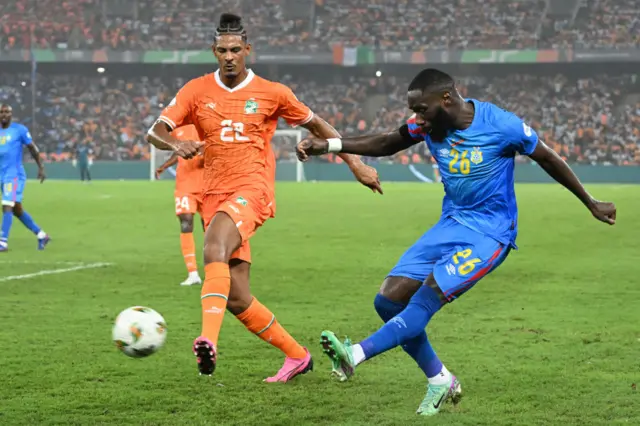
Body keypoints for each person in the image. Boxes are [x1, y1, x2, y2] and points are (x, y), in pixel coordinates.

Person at [296, 68, 616, 416]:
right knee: (388, 301)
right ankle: (439, 379)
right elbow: (390, 141)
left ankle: (354, 354)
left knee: (425, 298)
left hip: (489, 234)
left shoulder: (501, 125)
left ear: (446, 99)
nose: (416, 118)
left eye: (421, 109)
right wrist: (329, 145)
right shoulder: (429, 124)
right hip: (450, 225)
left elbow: (548, 158)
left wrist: (590, 201)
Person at [146, 13, 381, 382]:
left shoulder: (273, 92)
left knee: (212, 249)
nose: (228, 56)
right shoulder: (195, 90)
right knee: (237, 297)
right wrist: (176, 142)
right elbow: (155, 131)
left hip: (252, 190)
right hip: (213, 195)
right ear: (213, 51)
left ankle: (208, 340)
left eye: (235, 50)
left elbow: (319, 126)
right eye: (222, 50)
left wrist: (356, 165)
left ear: (247, 50)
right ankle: (297, 356)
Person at [155, 124, 205, 286]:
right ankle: (193, 273)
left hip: (207, 185)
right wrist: (164, 166)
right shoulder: (178, 128)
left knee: (210, 229)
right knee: (186, 223)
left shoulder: (208, 122)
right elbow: (179, 152)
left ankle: (215, 271)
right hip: (185, 186)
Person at [0, 104, 49, 252]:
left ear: (11, 114)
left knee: (7, 205)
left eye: (7, 112)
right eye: (1, 112)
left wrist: (41, 167)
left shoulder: (19, 130)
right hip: (2, 175)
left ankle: (3, 241)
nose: (4, 114)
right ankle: (41, 235)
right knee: (17, 209)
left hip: (14, 174)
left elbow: (32, 148)